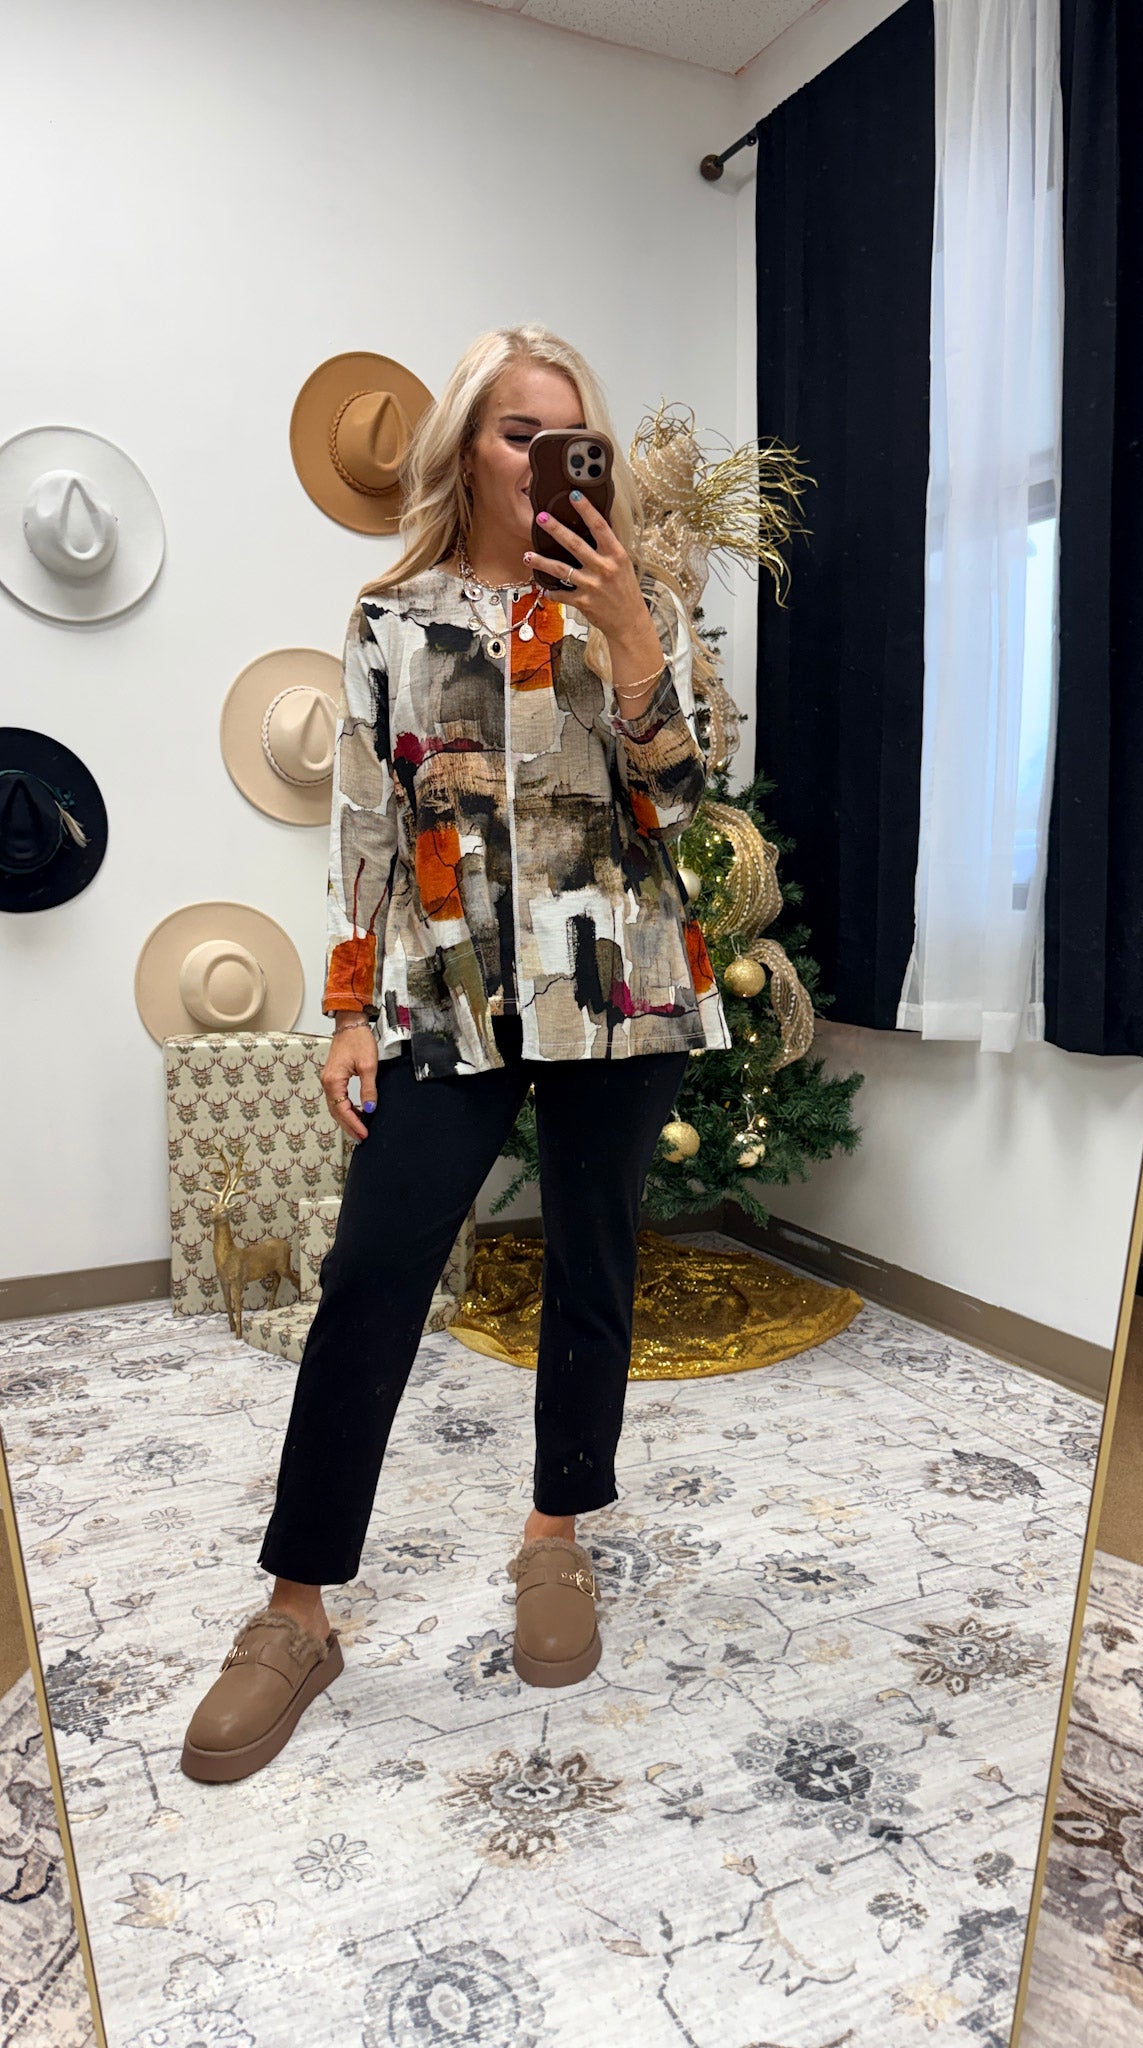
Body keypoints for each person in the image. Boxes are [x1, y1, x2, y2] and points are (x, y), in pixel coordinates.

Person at [180, 323, 731, 1783]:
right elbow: (364, 825)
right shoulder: (390, 619)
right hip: (449, 990)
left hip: (620, 983)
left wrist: (629, 632)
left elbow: (689, 808)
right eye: (516, 433)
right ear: (468, 453)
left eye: (567, 435)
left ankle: (556, 1531)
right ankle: (297, 1607)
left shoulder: (647, 605)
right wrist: (347, 1007)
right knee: (373, 1271)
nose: (545, 460)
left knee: (593, 1263)